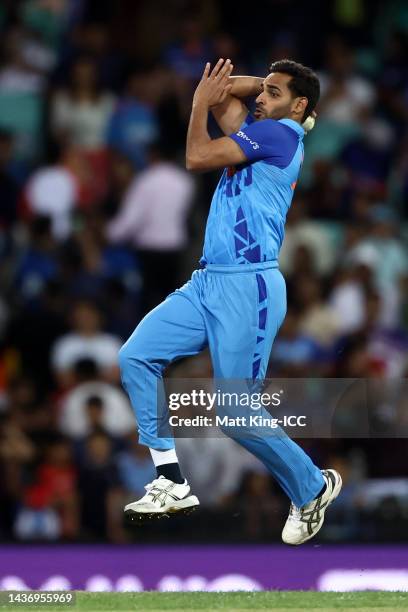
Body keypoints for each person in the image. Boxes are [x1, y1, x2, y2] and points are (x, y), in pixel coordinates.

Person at [119, 58, 342, 545]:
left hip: (250, 286)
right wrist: (257, 84)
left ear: (298, 107)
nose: (261, 98)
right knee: (136, 356)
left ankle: (312, 486)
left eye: (274, 93)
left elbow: (197, 155)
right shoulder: (262, 131)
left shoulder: (282, 135)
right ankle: (171, 481)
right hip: (207, 283)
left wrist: (197, 104)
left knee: (236, 414)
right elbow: (226, 95)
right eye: (263, 90)